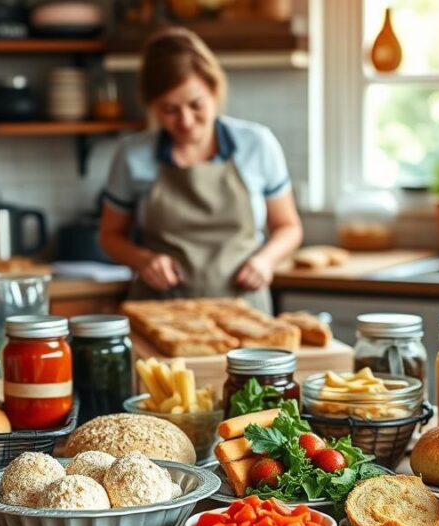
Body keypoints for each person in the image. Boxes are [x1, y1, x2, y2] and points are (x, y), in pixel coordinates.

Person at [98, 27, 303, 313]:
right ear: (152, 107)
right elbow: (109, 235)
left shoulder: (257, 144)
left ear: (214, 90)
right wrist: (143, 260)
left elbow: (288, 227)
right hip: (160, 311)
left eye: (196, 105)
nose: (185, 121)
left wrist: (266, 261)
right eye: (169, 109)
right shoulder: (132, 156)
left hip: (245, 309)